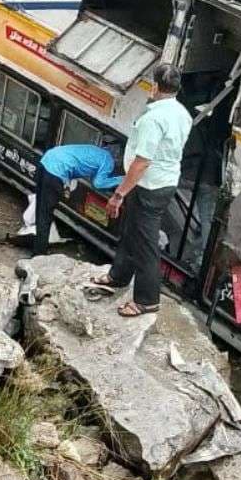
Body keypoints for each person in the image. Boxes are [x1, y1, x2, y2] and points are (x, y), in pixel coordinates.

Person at [94, 64, 193, 317]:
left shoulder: (153, 119)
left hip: (148, 185)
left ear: (155, 86)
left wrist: (119, 194)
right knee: (130, 231)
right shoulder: (182, 113)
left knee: (146, 243)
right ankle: (118, 276)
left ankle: (147, 300)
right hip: (164, 182)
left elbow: (142, 162)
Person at [29, 142, 123, 257]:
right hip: (56, 171)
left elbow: (92, 176)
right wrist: (123, 180)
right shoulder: (108, 160)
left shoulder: (96, 151)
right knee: (45, 215)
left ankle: (38, 245)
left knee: (40, 209)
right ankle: (39, 254)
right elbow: (98, 184)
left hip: (47, 160)